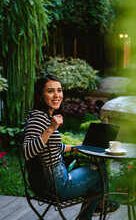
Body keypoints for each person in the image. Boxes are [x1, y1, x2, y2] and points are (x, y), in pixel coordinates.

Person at [23, 74, 119, 220]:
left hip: (45, 183)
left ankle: (97, 207)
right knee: (100, 169)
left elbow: (51, 146)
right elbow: (27, 152)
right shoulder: (39, 119)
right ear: (39, 96)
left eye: (59, 90)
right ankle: (99, 206)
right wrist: (50, 129)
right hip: (57, 185)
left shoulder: (41, 116)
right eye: (50, 91)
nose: (57, 95)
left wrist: (73, 148)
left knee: (95, 170)